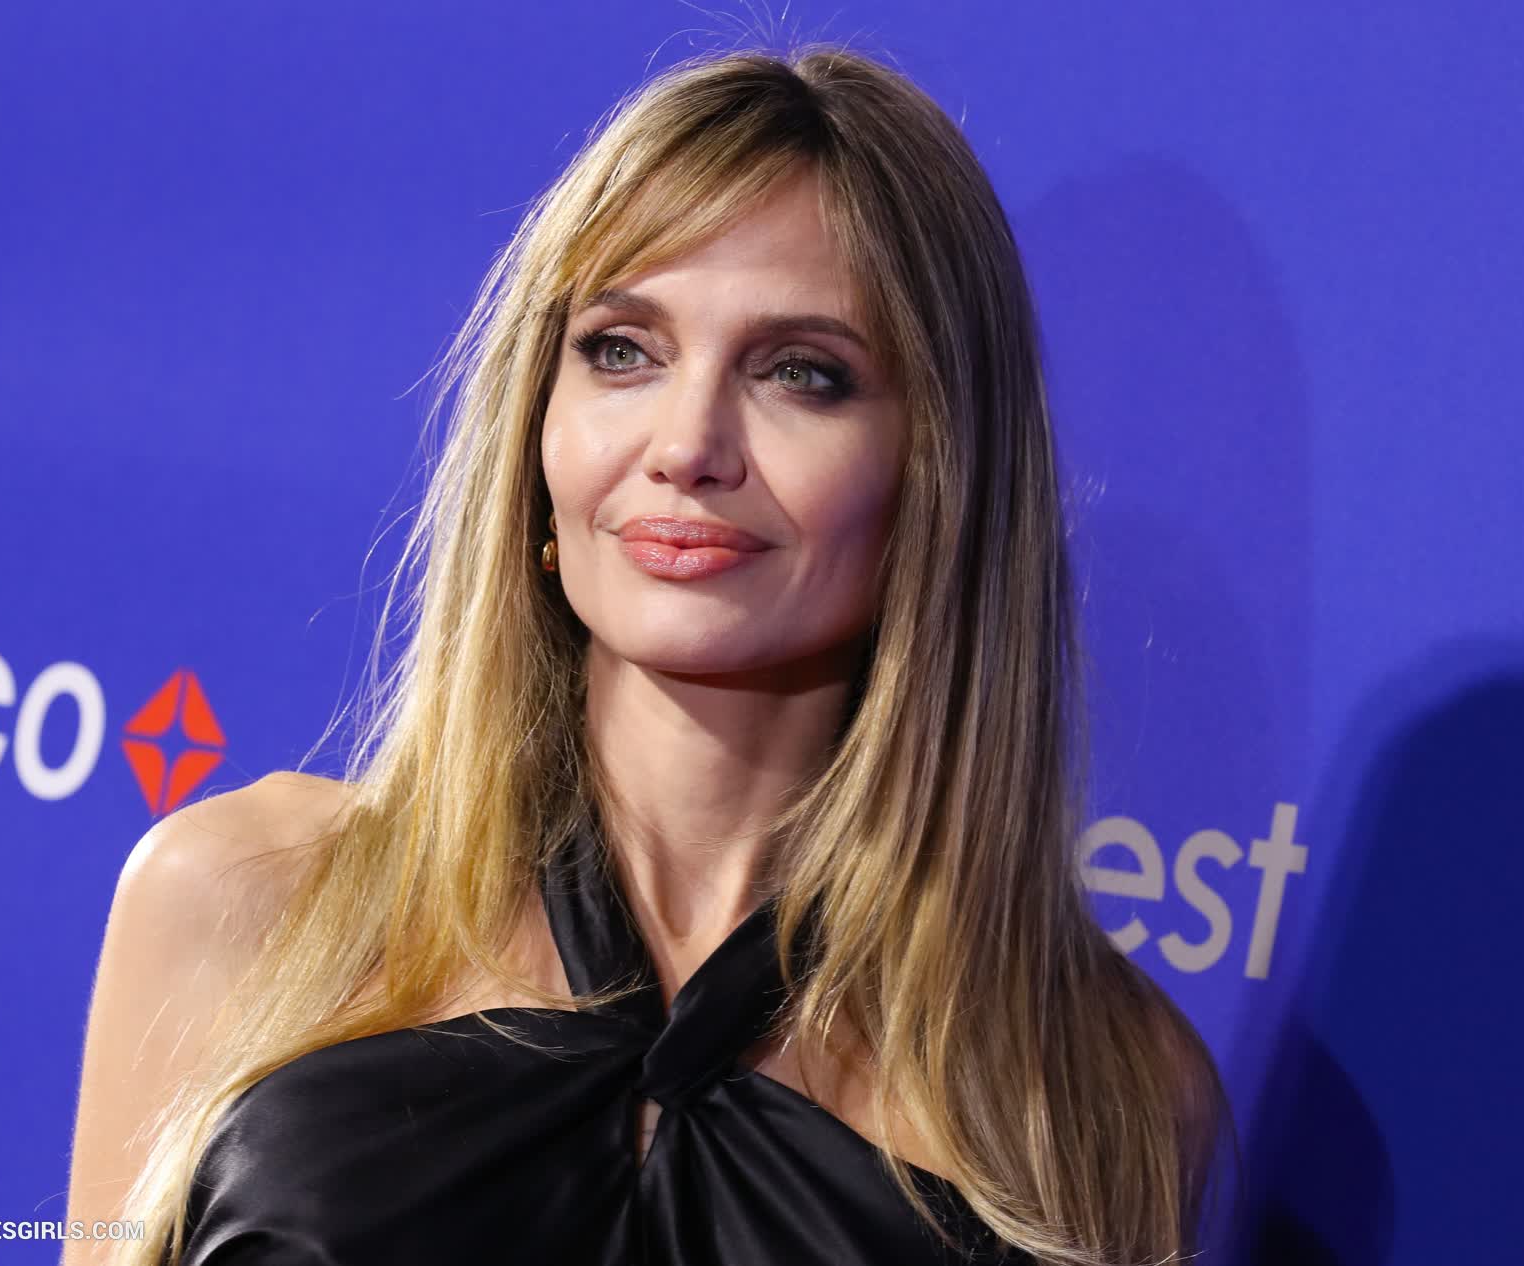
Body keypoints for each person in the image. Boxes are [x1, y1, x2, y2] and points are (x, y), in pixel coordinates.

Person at [64, 42, 1234, 1266]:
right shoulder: (241, 899)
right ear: (537, 425)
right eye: (622, 350)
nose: (686, 445)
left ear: (938, 476)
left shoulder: (1101, 1090)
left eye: (801, 374)